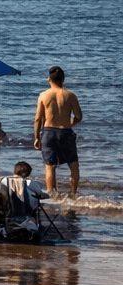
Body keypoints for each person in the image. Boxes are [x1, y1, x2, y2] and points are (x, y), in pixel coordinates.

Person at [33, 66, 81, 196]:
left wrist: (36, 137)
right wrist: (70, 122)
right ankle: (73, 195)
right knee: (73, 166)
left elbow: (38, 119)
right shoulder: (70, 95)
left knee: (50, 167)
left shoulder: (43, 95)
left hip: (48, 132)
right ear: (63, 79)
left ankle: (53, 196)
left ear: (49, 79)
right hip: (65, 132)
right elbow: (78, 116)